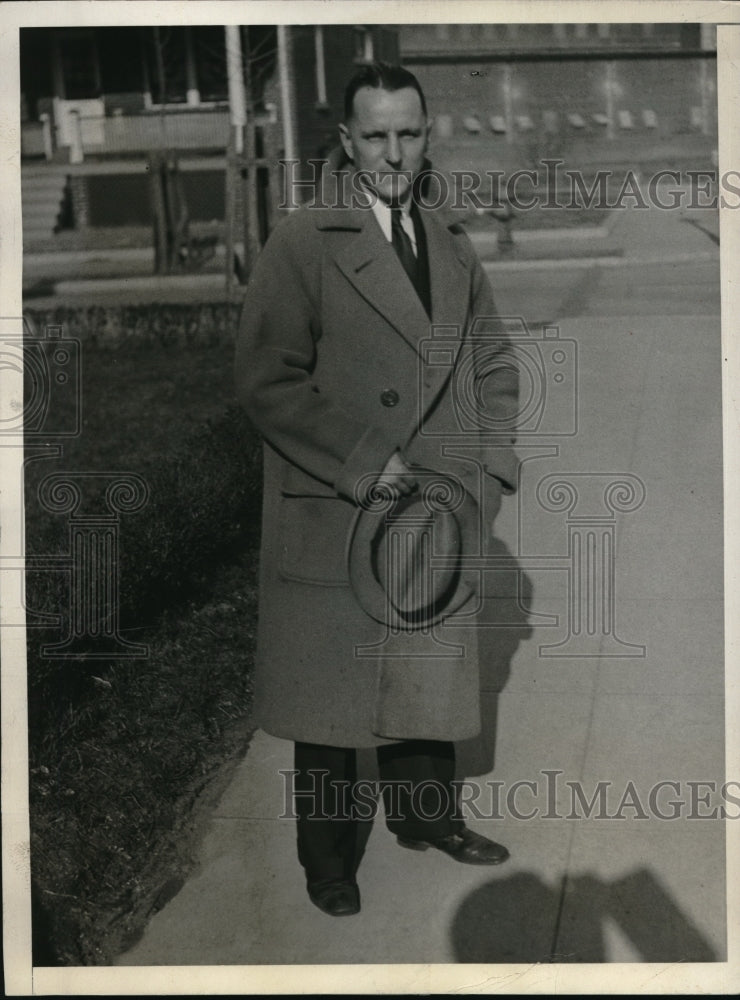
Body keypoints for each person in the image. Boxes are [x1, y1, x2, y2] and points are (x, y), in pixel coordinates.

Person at [235, 62, 519, 917]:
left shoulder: (451, 239)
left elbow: (493, 360)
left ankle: (425, 818)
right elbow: (266, 380)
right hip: (339, 500)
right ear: (348, 143)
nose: (393, 152)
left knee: (426, 671)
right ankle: (328, 859)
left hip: (438, 503)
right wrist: (366, 462)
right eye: (375, 136)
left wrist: (490, 466)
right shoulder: (303, 240)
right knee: (329, 697)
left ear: (427, 136)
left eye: (408, 133)